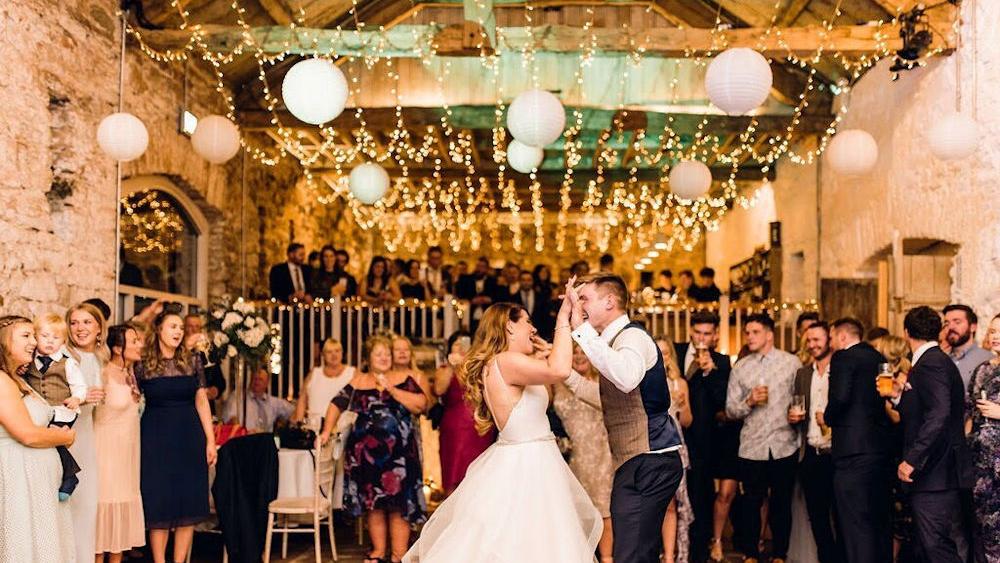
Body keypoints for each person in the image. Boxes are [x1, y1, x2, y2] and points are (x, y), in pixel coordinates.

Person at [400, 292, 602, 562]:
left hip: (531, 457)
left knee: (533, 537)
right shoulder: (505, 361)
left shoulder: (505, 363)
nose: (533, 329)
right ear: (509, 326)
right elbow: (560, 370)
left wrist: (545, 356)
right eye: (527, 323)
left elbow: (546, 391)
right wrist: (564, 318)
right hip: (527, 462)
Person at [567, 272, 683, 563]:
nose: (579, 306)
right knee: (632, 553)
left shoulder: (631, 337)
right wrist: (561, 371)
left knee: (631, 554)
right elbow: (610, 401)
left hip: (652, 460)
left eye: (585, 299)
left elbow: (627, 378)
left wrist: (581, 331)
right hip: (636, 461)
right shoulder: (612, 343)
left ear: (609, 301)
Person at [319, 336, 428, 563]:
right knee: (374, 504)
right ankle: (378, 552)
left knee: (399, 506)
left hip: (400, 457)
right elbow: (336, 404)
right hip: (367, 457)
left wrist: (392, 389)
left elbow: (421, 404)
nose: (384, 357)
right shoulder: (359, 381)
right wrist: (326, 431)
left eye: (387, 353)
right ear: (368, 358)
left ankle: (399, 555)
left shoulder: (404, 378)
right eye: (378, 354)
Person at [883, 307, 972, 563]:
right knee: (928, 546)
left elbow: (939, 415)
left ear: (906, 332)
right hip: (937, 472)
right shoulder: (933, 360)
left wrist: (912, 459)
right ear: (939, 330)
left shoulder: (930, 363)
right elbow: (928, 409)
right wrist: (899, 397)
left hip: (936, 472)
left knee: (936, 546)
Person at [137, 311, 216, 563]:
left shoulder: (192, 360)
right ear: (159, 329)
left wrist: (210, 440)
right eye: (172, 326)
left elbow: (202, 400)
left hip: (190, 436)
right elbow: (133, 401)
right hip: (155, 438)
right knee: (158, 502)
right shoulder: (143, 363)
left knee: (188, 503)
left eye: (180, 327)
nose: (178, 331)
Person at [725, 313, 802, 563]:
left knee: (781, 502)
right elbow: (730, 410)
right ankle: (750, 553)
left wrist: (796, 413)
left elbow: (801, 398)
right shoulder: (740, 367)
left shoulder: (792, 363)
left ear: (769, 334)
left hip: (784, 444)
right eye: (748, 332)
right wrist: (749, 401)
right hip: (752, 445)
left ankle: (780, 553)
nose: (749, 336)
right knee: (751, 502)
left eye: (755, 332)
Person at [0, 315, 76, 562]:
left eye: (34, 335)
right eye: (26, 336)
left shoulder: (17, 380)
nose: (34, 341)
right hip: (17, 481)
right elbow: (26, 434)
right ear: (3, 341)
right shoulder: (1, 381)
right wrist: (64, 437)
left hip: (37, 484)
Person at [824, 317, 893, 563]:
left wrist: (828, 417)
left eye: (832, 337)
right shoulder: (878, 357)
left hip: (851, 451)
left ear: (842, 337)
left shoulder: (843, 357)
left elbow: (840, 398)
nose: (830, 343)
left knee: (854, 525)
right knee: (878, 521)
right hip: (878, 450)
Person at [674, 311, 732, 563]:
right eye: (697, 332)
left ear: (715, 335)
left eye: (707, 334)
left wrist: (710, 373)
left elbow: (723, 403)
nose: (701, 338)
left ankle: (697, 554)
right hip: (671, 437)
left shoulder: (722, 362)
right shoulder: (673, 352)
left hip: (702, 444)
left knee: (700, 498)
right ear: (690, 332)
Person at [553, 344, 615, 563]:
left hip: (601, 454)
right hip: (570, 456)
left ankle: (607, 558)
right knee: (574, 513)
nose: (579, 357)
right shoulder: (555, 384)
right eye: (575, 353)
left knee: (603, 509)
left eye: (583, 353)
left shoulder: (603, 382)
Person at [789, 322, 844, 563]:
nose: (812, 345)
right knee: (817, 517)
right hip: (811, 454)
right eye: (808, 341)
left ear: (829, 341)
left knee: (841, 516)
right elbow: (795, 406)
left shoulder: (841, 371)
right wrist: (792, 417)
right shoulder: (803, 374)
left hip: (838, 454)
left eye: (817, 340)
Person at [95, 324, 146, 563]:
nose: (139, 345)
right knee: (103, 515)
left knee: (120, 522)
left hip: (127, 454)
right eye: (134, 341)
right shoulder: (103, 373)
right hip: (105, 453)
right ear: (117, 348)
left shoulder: (131, 373)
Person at [66, 302, 109, 563]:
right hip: (69, 440)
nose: (80, 328)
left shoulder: (101, 360)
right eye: (74, 322)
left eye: (86, 322)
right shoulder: (64, 357)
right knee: (69, 508)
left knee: (87, 508)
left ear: (99, 328)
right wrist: (80, 399)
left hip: (89, 440)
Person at [433, 331, 495, 495]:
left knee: (480, 478)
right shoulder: (444, 369)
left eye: (465, 343)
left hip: (480, 426)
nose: (461, 347)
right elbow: (439, 389)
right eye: (457, 343)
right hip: (454, 428)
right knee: (453, 474)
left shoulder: (482, 367)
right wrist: (453, 366)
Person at [964, 312, 1000, 561]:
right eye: (993, 330)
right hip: (982, 468)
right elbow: (968, 412)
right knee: (984, 534)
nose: (995, 336)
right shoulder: (982, 370)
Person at [658, 338, 693, 563]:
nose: (663, 358)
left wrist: (683, 405)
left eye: (666, 353)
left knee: (672, 503)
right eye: (658, 353)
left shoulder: (678, 383)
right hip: (652, 445)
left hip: (675, 444)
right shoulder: (641, 380)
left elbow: (687, 422)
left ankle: (670, 557)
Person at [291, 338, 355, 427]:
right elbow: (302, 400)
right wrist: (298, 424)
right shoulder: (314, 373)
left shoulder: (352, 373)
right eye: (329, 352)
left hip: (344, 429)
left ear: (342, 353)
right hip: (314, 427)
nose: (334, 355)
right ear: (323, 355)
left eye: (337, 351)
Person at [222, 368, 293, 433]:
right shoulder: (238, 397)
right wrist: (240, 432)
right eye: (255, 379)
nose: (257, 382)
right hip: (245, 439)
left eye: (260, 379)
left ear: (267, 383)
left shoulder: (272, 402)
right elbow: (230, 419)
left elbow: (292, 411)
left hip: (265, 442)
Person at [942, 304, 993, 390]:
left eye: (957, 322)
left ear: (973, 327)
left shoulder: (987, 360)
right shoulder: (942, 359)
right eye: (947, 323)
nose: (950, 327)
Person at [183, 313, 225, 411]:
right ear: (184, 328)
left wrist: (216, 390)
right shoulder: (179, 352)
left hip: (207, 406)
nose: (194, 330)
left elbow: (220, 380)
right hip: (187, 406)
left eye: (197, 326)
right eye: (190, 326)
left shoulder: (208, 351)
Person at [454, 257, 496, 332]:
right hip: (470, 315)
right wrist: (471, 300)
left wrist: (488, 299)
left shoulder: (493, 281)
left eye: (482, 267)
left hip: (487, 315)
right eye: (478, 266)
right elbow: (461, 294)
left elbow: (496, 297)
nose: (479, 269)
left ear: (486, 268)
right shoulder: (466, 280)